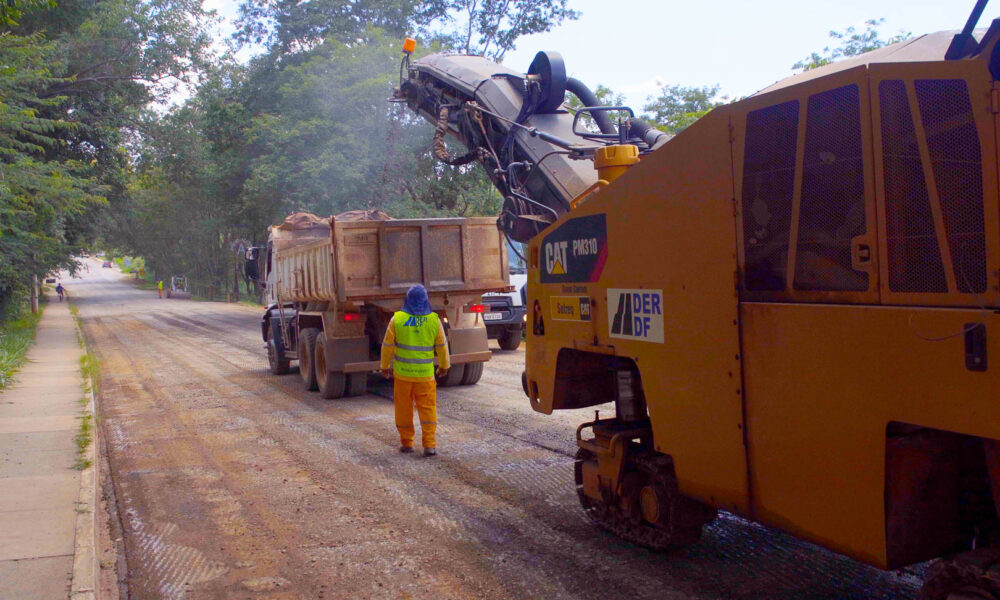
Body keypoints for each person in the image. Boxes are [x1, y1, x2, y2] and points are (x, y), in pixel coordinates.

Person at [380, 284, 450, 456]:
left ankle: (407, 443)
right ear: (426, 300)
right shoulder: (434, 320)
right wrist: (444, 366)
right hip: (425, 377)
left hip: (403, 376)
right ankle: (429, 445)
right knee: (428, 409)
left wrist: (384, 366)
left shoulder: (397, 319)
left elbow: (387, 346)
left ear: (407, 299)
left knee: (404, 409)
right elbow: (442, 346)